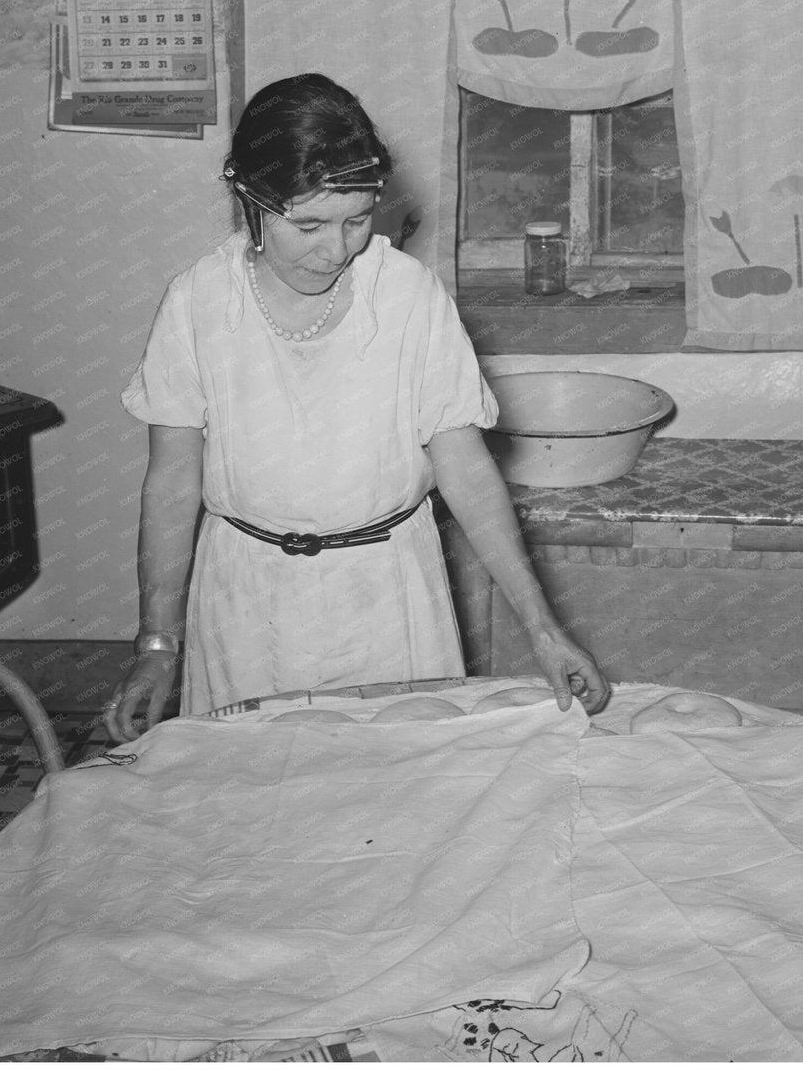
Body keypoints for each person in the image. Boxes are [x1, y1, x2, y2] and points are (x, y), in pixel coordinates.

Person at [104, 73, 608, 743]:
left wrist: (544, 630)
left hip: (390, 598)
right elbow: (171, 483)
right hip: (245, 601)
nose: (335, 250)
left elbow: (467, 471)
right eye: (307, 223)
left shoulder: (406, 297)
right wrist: (157, 643)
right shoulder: (198, 304)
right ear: (248, 197)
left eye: (356, 219)